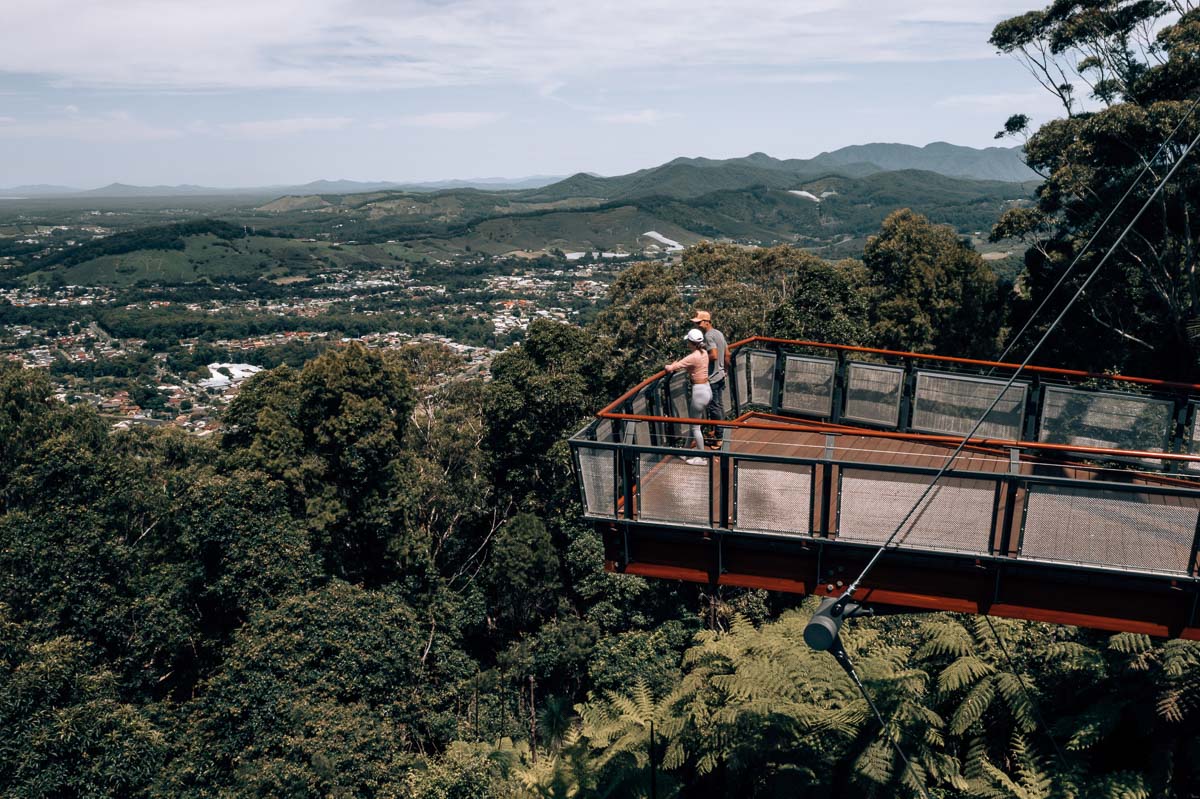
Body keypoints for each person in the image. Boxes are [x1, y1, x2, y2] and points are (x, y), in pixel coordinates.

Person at [664, 328, 711, 465]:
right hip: (707, 389)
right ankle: (686, 452)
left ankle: (701, 458)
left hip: (699, 392)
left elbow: (670, 368)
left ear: (691, 343)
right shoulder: (704, 353)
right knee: (694, 423)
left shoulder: (693, 356)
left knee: (695, 427)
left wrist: (670, 365)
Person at [691, 310, 729, 445]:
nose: (697, 325)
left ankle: (719, 438)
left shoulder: (708, 336)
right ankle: (721, 430)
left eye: (699, 322)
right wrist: (725, 370)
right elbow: (727, 354)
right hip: (720, 375)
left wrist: (701, 357)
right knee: (719, 405)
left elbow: (713, 355)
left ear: (707, 322)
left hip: (712, 378)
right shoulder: (719, 333)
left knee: (714, 407)